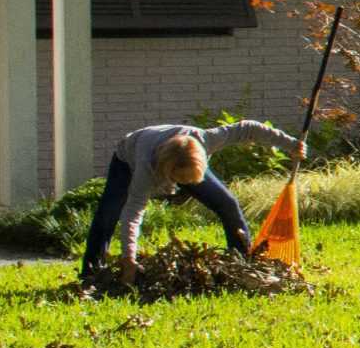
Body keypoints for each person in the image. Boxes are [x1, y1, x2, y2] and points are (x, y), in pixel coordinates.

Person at [82, 120, 303, 282]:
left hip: (182, 161)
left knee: (227, 204)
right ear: (169, 172)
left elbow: (249, 128)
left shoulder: (206, 139)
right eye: (180, 181)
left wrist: (291, 144)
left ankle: (242, 263)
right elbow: (133, 214)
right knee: (107, 215)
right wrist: (129, 258)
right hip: (126, 158)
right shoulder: (145, 168)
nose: (184, 185)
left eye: (189, 181)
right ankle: (91, 273)